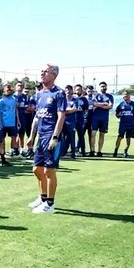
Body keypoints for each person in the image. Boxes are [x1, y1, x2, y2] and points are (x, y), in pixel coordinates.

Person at [27, 64, 67, 214]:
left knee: (49, 171)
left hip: (51, 136)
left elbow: (61, 116)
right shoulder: (39, 94)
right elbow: (37, 117)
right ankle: (43, 197)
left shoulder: (59, 93)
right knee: (37, 169)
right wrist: (31, 136)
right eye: (41, 71)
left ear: (54, 75)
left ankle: (50, 204)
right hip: (40, 137)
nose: (42, 74)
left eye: (46, 72)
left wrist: (55, 137)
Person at [113, 91, 134, 158]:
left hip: (131, 124)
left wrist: (133, 117)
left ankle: (125, 151)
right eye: (124, 96)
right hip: (123, 124)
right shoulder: (121, 104)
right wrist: (118, 115)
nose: (125, 97)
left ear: (129, 96)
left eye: (126, 96)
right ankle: (116, 150)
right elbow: (117, 114)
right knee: (120, 137)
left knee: (128, 137)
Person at [91, 81, 114, 157]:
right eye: (102, 86)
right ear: (99, 87)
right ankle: (92, 150)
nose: (103, 87)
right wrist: (104, 104)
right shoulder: (96, 95)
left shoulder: (110, 96)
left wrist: (99, 105)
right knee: (93, 134)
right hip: (95, 117)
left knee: (102, 134)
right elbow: (94, 104)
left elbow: (110, 106)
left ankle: (99, 151)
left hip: (104, 118)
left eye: (104, 86)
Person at [0, 83, 19, 157]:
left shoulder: (14, 99)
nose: (8, 90)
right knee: (2, 138)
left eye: (9, 89)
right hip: (3, 123)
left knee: (13, 137)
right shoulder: (1, 100)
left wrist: (18, 121)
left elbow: (16, 110)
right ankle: (3, 152)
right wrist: (0, 122)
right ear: (4, 90)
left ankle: (12, 151)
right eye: (7, 89)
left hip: (12, 122)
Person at [63, 85, 78, 159]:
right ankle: (62, 152)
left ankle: (73, 152)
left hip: (71, 122)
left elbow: (75, 109)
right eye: (66, 90)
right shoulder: (62, 100)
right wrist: (68, 110)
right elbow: (60, 110)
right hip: (62, 121)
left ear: (72, 91)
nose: (68, 92)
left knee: (71, 137)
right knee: (62, 137)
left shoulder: (75, 100)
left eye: (69, 90)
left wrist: (65, 111)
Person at [73, 84, 88, 157]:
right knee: (70, 136)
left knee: (81, 136)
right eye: (77, 89)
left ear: (81, 90)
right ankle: (71, 151)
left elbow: (86, 109)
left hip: (80, 119)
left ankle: (83, 151)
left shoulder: (84, 99)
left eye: (79, 89)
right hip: (72, 119)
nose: (78, 91)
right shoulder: (71, 98)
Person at [84, 85, 96, 155]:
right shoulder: (84, 98)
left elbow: (97, 105)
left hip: (92, 118)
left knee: (91, 135)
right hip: (85, 118)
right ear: (86, 91)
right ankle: (80, 150)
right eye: (88, 91)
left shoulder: (95, 98)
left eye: (91, 91)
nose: (90, 92)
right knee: (81, 134)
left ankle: (91, 150)